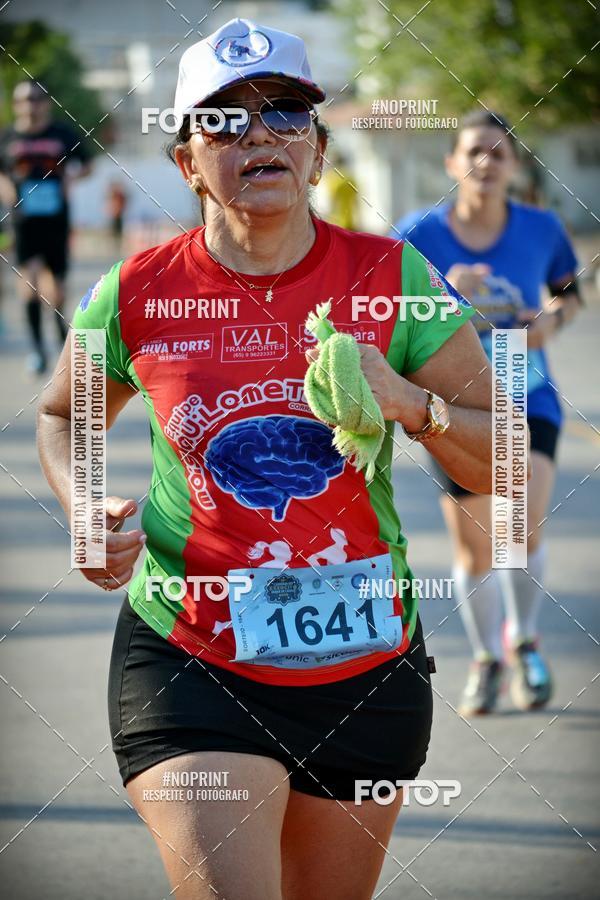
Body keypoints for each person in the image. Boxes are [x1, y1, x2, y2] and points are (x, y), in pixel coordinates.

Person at [38, 19, 499, 900]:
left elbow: (503, 456)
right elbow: (65, 414)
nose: (258, 133)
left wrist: (413, 406)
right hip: (191, 652)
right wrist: (83, 501)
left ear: (318, 151)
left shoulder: (393, 276)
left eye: (286, 112)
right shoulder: (137, 292)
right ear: (185, 162)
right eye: (222, 119)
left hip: (367, 662)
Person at [392, 110, 581, 717]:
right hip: (456, 399)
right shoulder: (418, 234)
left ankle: (523, 639)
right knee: (475, 550)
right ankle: (485, 659)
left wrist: (551, 319)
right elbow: (381, 309)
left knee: (519, 532)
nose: (486, 162)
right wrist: (446, 288)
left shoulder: (541, 227)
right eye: (475, 150)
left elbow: (569, 290)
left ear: (512, 166)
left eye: (499, 153)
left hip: (527, 390)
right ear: (452, 163)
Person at [0, 80, 92, 374]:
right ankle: (38, 350)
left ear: (46, 103)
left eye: (37, 98)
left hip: (56, 220)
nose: (31, 104)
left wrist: (70, 179)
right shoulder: (8, 136)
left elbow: (87, 163)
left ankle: (62, 343)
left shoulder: (62, 134)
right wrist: (5, 188)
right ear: (16, 105)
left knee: (57, 290)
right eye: (25, 99)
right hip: (23, 222)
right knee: (29, 285)